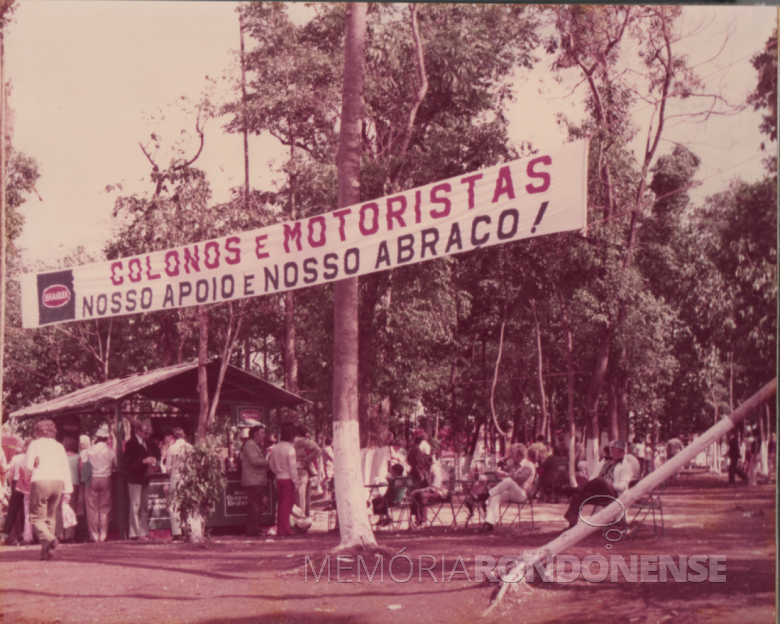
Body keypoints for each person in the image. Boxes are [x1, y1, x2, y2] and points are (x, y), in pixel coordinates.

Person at [25, 419, 73, 560]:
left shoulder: (34, 444)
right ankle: (46, 553)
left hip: (40, 480)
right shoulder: (59, 446)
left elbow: (28, 467)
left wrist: (28, 475)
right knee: (50, 518)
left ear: (38, 431)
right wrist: (68, 491)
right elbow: (65, 469)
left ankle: (50, 539)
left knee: (36, 517)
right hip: (57, 482)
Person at [563, 441, 633, 530]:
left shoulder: (626, 466)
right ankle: (572, 525)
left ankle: (574, 489)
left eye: (619, 452)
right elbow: (593, 478)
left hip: (613, 494)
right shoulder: (604, 461)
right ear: (611, 451)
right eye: (614, 451)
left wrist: (610, 485)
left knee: (601, 480)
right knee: (578, 495)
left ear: (624, 453)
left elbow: (623, 486)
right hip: (598, 493)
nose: (616, 454)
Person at [481, 444, 537, 532]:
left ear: (520, 455)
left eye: (512, 453)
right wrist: (499, 465)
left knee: (508, 480)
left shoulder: (528, 465)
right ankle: (489, 523)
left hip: (523, 494)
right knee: (496, 495)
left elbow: (521, 478)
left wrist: (505, 474)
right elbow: (500, 471)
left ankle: (485, 495)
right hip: (512, 493)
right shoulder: (513, 465)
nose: (510, 455)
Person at [124, 421, 160, 541]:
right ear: (139, 431)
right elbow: (126, 463)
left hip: (145, 478)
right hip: (134, 479)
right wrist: (143, 462)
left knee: (144, 506)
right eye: (146, 433)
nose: (148, 436)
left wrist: (153, 467)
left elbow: (155, 457)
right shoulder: (130, 444)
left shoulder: (148, 444)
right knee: (135, 505)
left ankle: (143, 532)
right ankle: (135, 533)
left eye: (149, 434)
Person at [82, 424, 117, 543]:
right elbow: (116, 465)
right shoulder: (110, 451)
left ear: (97, 437)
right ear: (107, 439)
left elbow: (82, 464)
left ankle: (93, 536)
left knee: (92, 508)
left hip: (92, 479)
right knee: (105, 508)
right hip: (106, 479)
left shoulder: (89, 450)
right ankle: (103, 536)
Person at [268, 423, 299, 537]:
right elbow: (293, 467)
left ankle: (281, 529)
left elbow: (271, 464)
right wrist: (296, 482)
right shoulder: (290, 449)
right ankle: (284, 530)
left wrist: (277, 472)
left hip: (279, 478)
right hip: (288, 479)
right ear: (291, 436)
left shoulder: (276, 447)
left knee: (281, 504)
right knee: (287, 505)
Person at [1, 439, 32, 545]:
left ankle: (5, 536)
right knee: (27, 510)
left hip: (16, 483)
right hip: (28, 484)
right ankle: (26, 534)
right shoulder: (32, 458)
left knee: (12, 511)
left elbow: (10, 474)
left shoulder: (15, 458)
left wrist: (11, 485)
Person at [164, 428, 192, 542]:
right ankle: (189, 531)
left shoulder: (171, 448)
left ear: (173, 437)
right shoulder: (190, 447)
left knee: (174, 505)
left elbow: (167, 469)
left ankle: (177, 533)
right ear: (184, 435)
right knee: (188, 505)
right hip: (188, 478)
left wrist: (173, 472)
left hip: (175, 478)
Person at [241, 425, 269, 537]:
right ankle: (254, 531)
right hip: (253, 481)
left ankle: (253, 530)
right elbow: (255, 461)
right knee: (255, 506)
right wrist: (270, 462)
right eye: (262, 433)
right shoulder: (250, 445)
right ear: (255, 435)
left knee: (255, 506)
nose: (264, 435)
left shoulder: (255, 445)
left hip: (256, 480)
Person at [410, 454, 449, 529]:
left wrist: (418, 490)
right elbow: (421, 486)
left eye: (419, 463)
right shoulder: (426, 471)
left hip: (442, 492)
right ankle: (418, 520)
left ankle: (423, 521)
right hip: (434, 493)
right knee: (417, 494)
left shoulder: (435, 469)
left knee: (422, 495)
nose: (418, 465)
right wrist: (421, 475)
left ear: (424, 462)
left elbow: (434, 488)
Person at [293, 425, 320, 518]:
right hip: (294, 470)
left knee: (300, 497)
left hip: (300, 469)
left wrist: (306, 459)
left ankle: (301, 519)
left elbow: (317, 449)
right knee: (298, 497)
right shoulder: (294, 440)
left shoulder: (300, 440)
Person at [58, 436, 81, 543]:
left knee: (59, 509)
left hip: (61, 484)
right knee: (72, 508)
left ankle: (60, 534)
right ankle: (69, 535)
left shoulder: (61, 457)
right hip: (74, 484)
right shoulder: (78, 457)